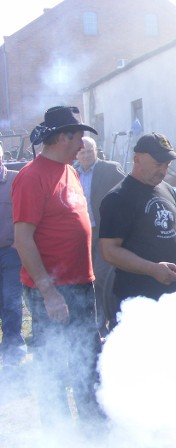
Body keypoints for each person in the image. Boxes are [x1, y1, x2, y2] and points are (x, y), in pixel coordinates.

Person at [12, 106, 105, 427]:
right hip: (51, 291)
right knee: (55, 367)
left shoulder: (71, 172)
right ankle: (59, 441)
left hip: (81, 284)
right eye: (78, 136)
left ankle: (92, 435)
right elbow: (23, 239)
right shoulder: (31, 177)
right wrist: (49, 293)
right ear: (62, 136)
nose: (82, 144)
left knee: (88, 362)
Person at [99, 132, 176, 322]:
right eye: (158, 164)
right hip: (137, 304)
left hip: (171, 299)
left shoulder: (166, 189)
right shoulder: (118, 198)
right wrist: (153, 269)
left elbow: (175, 230)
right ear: (137, 159)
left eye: (167, 165)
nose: (163, 170)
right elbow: (109, 251)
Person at [75, 136, 125, 336]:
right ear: (77, 154)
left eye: (90, 151)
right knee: (89, 277)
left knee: (103, 274)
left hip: (105, 232)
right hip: (82, 233)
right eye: (82, 152)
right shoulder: (71, 172)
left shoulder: (110, 169)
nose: (86, 155)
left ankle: (113, 317)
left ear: (96, 151)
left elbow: (127, 191)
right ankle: (98, 321)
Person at [0, 142, 26, 367]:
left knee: (11, 300)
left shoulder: (15, 180)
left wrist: (20, 243)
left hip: (10, 252)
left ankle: (12, 350)